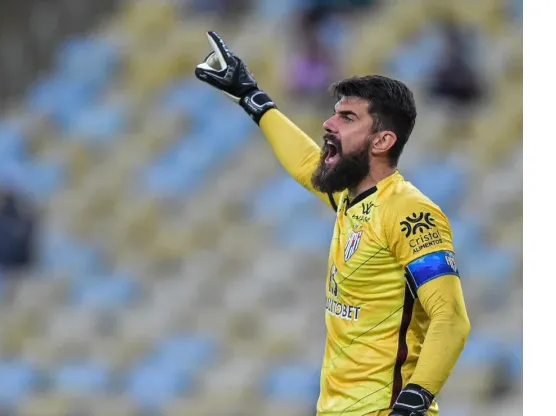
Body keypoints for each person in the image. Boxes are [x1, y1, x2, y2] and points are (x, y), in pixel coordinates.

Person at [195, 32, 470, 416]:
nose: (328, 124)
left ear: (382, 140)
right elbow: (307, 165)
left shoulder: (409, 212)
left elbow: (451, 317)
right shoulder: (349, 198)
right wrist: (251, 98)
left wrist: (414, 401)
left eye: (346, 117)